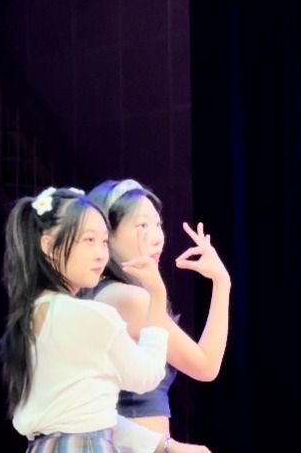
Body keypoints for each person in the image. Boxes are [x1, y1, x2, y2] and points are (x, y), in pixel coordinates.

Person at [0, 186, 202, 453]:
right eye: (88, 240)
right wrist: (157, 294)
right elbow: (148, 375)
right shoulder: (88, 315)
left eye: (104, 242)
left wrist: (164, 446)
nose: (100, 254)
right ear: (48, 246)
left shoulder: (32, 314)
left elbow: (89, 414)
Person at [80, 179, 230, 442]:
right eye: (142, 226)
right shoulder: (130, 299)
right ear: (107, 235)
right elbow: (206, 366)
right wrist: (222, 282)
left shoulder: (106, 293)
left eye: (158, 224)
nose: (157, 237)